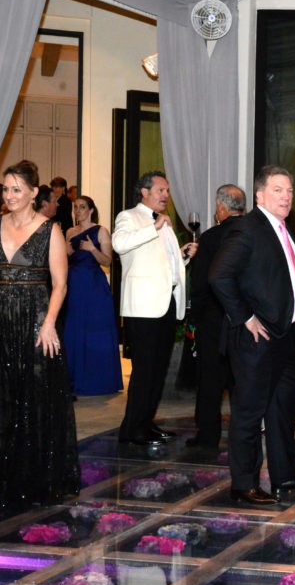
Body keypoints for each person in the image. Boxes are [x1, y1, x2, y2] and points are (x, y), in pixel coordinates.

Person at [211, 165, 295, 506]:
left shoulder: (283, 230)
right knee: (248, 413)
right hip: (256, 339)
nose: (286, 196)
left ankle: (286, 477)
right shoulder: (247, 228)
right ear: (260, 195)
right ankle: (244, 485)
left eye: (289, 190)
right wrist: (244, 316)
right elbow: (219, 276)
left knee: (282, 412)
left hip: (286, 336)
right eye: (278, 189)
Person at [0, 160, 80, 511]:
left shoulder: (50, 230)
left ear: (33, 193)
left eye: (16, 190)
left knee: (34, 401)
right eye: (6, 189)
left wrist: (50, 322)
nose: (9, 195)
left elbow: (60, 284)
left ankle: (34, 477)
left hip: (36, 325)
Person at [111, 171, 197, 447]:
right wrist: (154, 227)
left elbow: (165, 264)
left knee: (158, 371)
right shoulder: (129, 217)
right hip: (143, 307)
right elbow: (119, 244)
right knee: (144, 370)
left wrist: (182, 256)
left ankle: (146, 424)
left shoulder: (165, 224)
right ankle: (131, 429)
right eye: (161, 190)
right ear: (144, 192)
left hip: (166, 303)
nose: (166, 195)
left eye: (167, 190)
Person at [186, 184, 246, 450]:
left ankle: (208, 435)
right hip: (246, 318)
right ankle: (244, 434)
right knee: (242, 379)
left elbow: (200, 284)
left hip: (214, 318)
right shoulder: (254, 234)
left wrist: (195, 319)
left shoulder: (209, 239)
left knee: (210, 380)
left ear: (221, 208)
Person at [63, 195, 123, 396]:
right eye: (75, 207)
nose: (78, 211)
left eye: (82, 207)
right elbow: (63, 259)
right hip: (74, 284)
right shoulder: (70, 232)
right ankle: (75, 378)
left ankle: (98, 380)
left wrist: (91, 249)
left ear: (90, 210)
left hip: (94, 286)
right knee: (74, 330)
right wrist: (67, 252)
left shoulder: (101, 231)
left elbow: (107, 261)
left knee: (96, 330)